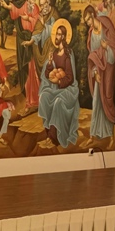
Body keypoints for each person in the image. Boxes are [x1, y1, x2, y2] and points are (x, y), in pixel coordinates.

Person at [38, 20, 81, 148]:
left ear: (63, 37)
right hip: (55, 88)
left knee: (57, 102)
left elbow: (70, 78)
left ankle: (54, 138)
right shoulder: (54, 54)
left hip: (68, 90)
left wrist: (59, 81)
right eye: (56, 34)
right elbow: (47, 74)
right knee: (44, 97)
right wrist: (49, 63)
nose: (56, 37)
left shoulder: (68, 54)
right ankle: (48, 134)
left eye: (59, 34)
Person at [83, 5, 115, 148]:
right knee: (97, 101)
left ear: (93, 15)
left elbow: (114, 53)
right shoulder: (92, 34)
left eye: (88, 20)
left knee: (108, 99)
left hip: (109, 71)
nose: (88, 23)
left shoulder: (106, 26)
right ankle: (93, 135)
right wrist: (95, 73)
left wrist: (106, 48)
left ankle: (110, 137)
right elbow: (93, 56)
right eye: (86, 21)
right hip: (99, 71)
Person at [0, 0, 40, 110]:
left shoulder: (36, 8)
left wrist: (29, 19)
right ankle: (29, 100)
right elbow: (15, 10)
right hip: (22, 40)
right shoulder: (23, 6)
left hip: (32, 41)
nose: (32, 1)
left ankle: (36, 99)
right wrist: (6, 6)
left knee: (33, 70)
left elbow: (38, 22)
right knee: (25, 70)